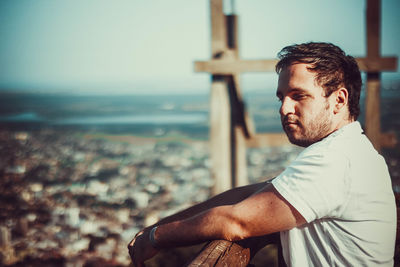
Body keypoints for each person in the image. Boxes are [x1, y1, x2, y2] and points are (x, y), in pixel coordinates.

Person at [128, 42, 396, 266]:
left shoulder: (335, 160)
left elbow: (236, 222)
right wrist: (160, 225)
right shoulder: (351, 151)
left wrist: (155, 238)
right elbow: (246, 196)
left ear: (338, 100)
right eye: (281, 97)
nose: (284, 108)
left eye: (298, 96)